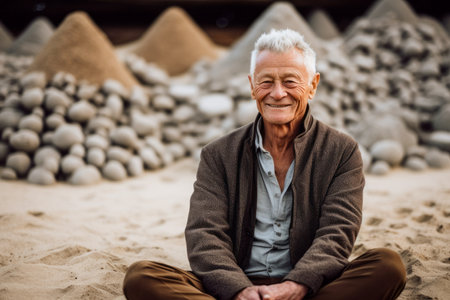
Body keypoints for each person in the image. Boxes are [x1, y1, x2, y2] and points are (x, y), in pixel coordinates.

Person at [123, 29, 406, 300]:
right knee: (142, 277)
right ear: (251, 87)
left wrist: (295, 286)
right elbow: (204, 235)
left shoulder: (341, 151)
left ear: (313, 86)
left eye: (290, 81)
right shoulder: (218, 154)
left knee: (388, 266)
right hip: (235, 287)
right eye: (266, 81)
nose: (278, 93)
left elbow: (337, 234)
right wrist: (240, 291)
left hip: (309, 287)